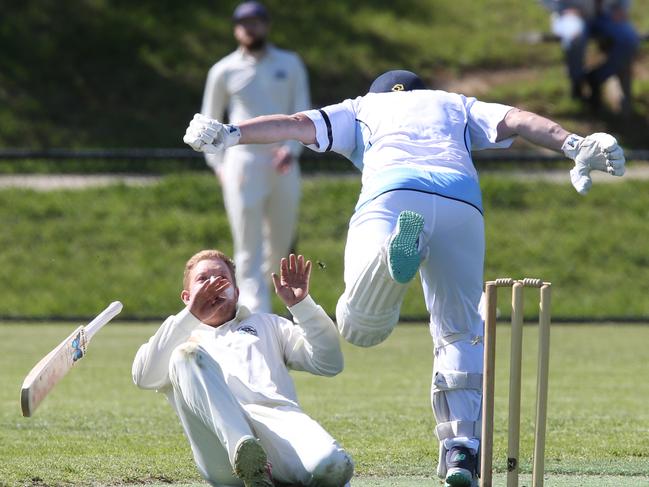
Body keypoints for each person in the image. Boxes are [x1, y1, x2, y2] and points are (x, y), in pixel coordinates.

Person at [183, 69, 626, 486]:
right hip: (461, 201)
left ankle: (389, 257)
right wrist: (574, 143)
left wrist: (232, 133)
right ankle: (461, 450)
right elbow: (518, 120)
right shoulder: (454, 103)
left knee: (359, 326)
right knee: (460, 329)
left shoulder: (363, 107)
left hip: (393, 192)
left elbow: (295, 124)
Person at [132, 250, 354, 487]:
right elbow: (144, 376)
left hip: (279, 426)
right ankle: (245, 454)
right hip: (219, 449)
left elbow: (329, 363)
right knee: (185, 355)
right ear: (187, 297)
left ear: (236, 293)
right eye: (203, 280)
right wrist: (191, 316)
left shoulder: (268, 324)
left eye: (221, 279)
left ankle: (263, 474)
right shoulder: (177, 336)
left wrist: (303, 306)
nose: (212, 285)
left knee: (335, 466)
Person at [200, 1, 311, 314]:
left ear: (266, 25)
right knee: (247, 250)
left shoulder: (290, 64)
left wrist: (291, 149)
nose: (250, 29)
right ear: (236, 28)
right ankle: (255, 322)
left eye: (256, 22)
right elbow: (208, 124)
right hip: (242, 163)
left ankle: (272, 313)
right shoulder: (223, 70)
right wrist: (219, 165)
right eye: (244, 23)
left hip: (282, 162)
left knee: (279, 249)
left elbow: (302, 111)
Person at [541, 0, 639, 111]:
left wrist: (622, 7)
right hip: (571, 15)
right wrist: (562, 8)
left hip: (608, 13)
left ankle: (595, 79)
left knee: (629, 40)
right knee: (575, 38)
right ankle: (577, 82)